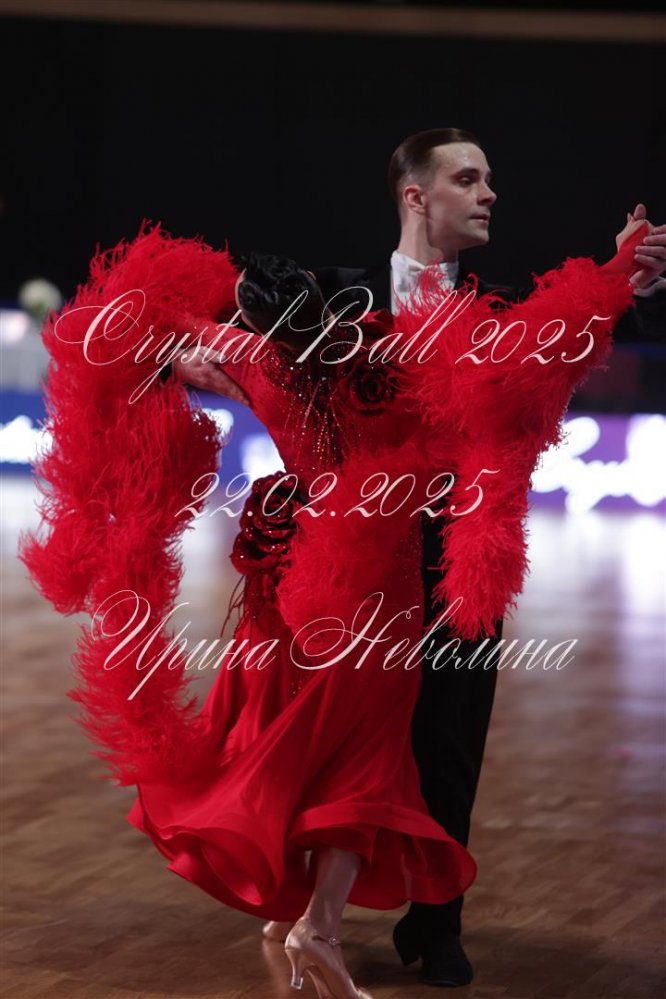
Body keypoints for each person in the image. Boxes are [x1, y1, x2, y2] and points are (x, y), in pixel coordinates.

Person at [21, 216, 648, 999]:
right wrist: (614, 277)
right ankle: (317, 924)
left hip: (292, 573)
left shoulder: (257, 362)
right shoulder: (385, 361)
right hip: (379, 582)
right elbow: (527, 354)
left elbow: (141, 329)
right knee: (367, 756)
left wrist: (181, 353)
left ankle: (301, 910)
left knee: (287, 736)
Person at [303, 127, 666, 987]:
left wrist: (623, 283)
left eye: (489, 179)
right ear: (415, 195)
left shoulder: (501, 307)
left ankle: (437, 919)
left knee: (452, 735)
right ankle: (307, 907)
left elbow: (569, 340)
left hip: (463, 549)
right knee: (338, 734)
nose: (489, 193)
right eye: (468, 179)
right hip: (358, 555)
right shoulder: (335, 297)